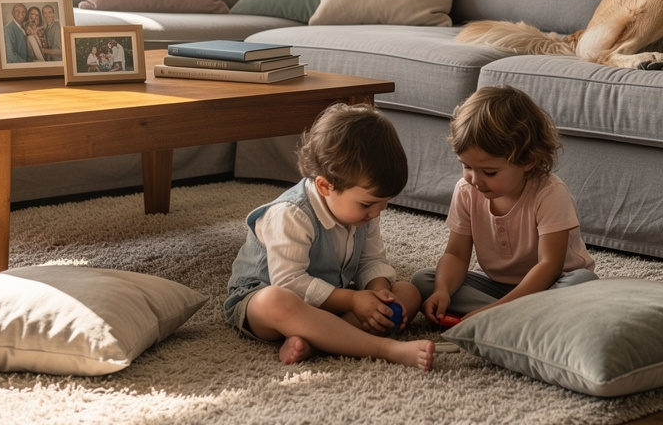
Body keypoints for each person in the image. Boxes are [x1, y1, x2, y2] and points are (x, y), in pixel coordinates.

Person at [223, 104, 435, 371]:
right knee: (275, 300)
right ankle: (385, 349)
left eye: (384, 204)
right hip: (266, 301)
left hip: (332, 299)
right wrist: (353, 301)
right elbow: (290, 282)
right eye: (368, 204)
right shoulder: (291, 215)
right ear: (325, 186)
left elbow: (371, 259)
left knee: (407, 292)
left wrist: (377, 290)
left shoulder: (366, 212)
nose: (377, 213)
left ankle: (321, 341)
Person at [414, 85, 597, 324]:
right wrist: (442, 291)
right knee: (424, 281)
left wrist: (495, 310)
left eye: (489, 172)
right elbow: (456, 255)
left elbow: (549, 265)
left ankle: (503, 315)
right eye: (467, 166)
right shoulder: (466, 190)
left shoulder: (549, 193)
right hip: (496, 286)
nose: (475, 180)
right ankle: (521, 317)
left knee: (583, 283)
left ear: (528, 161)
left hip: (552, 284)